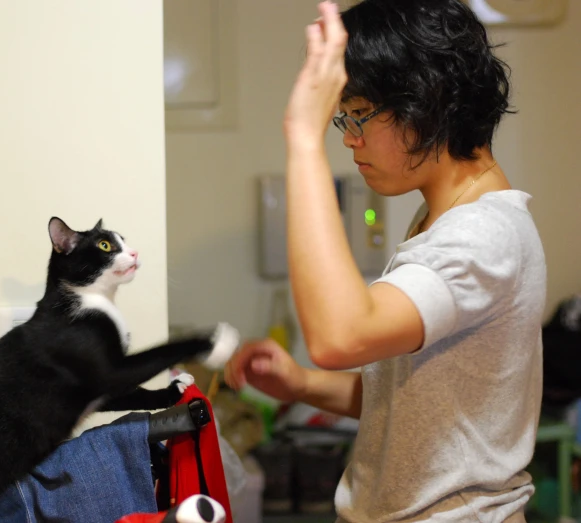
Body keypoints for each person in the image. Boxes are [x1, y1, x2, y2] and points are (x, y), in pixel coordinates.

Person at [224, 1, 546, 521]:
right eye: (341, 118)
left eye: (360, 115)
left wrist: (303, 140)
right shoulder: (441, 221)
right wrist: (302, 385)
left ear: (427, 100)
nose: (349, 138)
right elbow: (412, 402)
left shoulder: (484, 235)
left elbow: (340, 336)